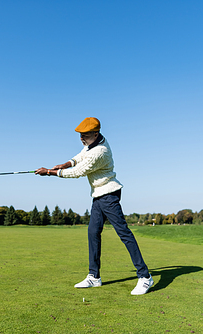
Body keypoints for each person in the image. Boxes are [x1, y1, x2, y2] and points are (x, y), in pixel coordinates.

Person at [35, 117, 153, 295]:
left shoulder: (100, 151)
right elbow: (80, 157)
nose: (82, 138)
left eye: (85, 135)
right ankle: (94, 277)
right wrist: (64, 164)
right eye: (80, 135)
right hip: (98, 195)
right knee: (93, 232)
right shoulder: (93, 143)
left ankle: (145, 277)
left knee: (123, 233)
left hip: (109, 194)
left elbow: (78, 172)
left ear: (95, 134)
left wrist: (51, 172)